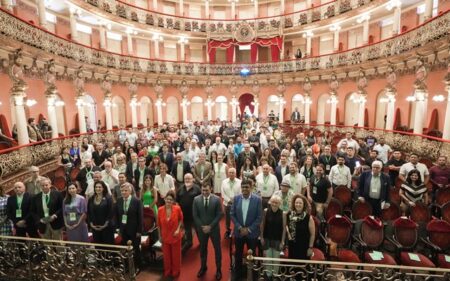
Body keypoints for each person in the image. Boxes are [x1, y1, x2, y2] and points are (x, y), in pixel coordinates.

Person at [230, 179, 262, 281]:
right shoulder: (236, 198)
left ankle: (253, 275)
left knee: (252, 255)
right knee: (238, 255)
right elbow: (232, 214)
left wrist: (248, 229)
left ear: (251, 187)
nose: (244, 189)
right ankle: (237, 275)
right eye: (243, 187)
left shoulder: (257, 200)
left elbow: (259, 217)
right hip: (239, 232)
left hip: (252, 233)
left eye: (247, 187)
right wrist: (239, 227)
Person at [193, 184, 224, 280]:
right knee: (203, 249)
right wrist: (202, 227)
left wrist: (210, 226)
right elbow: (195, 215)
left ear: (211, 189)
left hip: (213, 229)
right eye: (203, 190)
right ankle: (203, 267)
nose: (204, 192)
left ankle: (218, 269)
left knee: (217, 249)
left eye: (206, 190)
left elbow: (220, 214)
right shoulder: (196, 199)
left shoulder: (217, 199)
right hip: (202, 229)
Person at [116, 183, 143, 271]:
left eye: (125, 190)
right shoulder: (119, 200)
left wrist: (139, 231)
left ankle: (137, 267)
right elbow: (117, 216)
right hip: (123, 230)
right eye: (122, 191)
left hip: (134, 230)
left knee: (135, 249)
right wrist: (118, 228)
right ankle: (127, 266)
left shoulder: (137, 201)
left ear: (130, 191)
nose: (123, 192)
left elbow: (140, 217)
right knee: (124, 249)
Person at [158, 191, 183, 279]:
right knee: (166, 256)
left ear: (173, 201)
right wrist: (159, 236)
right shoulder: (160, 210)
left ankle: (175, 271)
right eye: (167, 199)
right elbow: (158, 225)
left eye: (170, 200)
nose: (168, 201)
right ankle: (167, 271)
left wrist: (178, 229)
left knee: (176, 256)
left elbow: (180, 220)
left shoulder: (177, 208)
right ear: (164, 199)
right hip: (165, 236)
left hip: (175, 235)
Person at [260, 195, 286, 279]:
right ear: (270, 202)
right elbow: (262, 225)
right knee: (268, 259)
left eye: (277, 202)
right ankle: (268, 275)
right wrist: (261, 237)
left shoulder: (283, 213)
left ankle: (275, 276)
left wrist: (282, 241)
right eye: (273, 202)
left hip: (277, 240)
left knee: (276, 260)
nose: (274, 204)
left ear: (279, 204)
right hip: (267, 238)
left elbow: (284, 229)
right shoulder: (265, 211)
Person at [286, 195, 315, 263]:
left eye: (300, 203)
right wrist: (288, 232)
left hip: (304, 246)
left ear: (304, 205)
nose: (298, 204)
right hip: (292, 245)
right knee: (292, 266)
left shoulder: (308, 218)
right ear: (294, 203)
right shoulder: (289, 214)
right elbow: (285, 226)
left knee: (302, 267)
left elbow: (312, 235)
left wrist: (310, 248)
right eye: (296, 203)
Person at [176, 173, 201, 248]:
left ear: (193, 179)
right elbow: (177, 201)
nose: (187, 180)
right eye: (186, 179)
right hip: (184, 215)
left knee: (198, 230)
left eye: (189, 178)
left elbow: (201, 201)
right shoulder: (180, 188)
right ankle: (189, 242)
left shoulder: (197, 188)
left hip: (195, 215)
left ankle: (202, 242)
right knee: (187, 230)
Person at [221, 168, 242, 237]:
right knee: (227, 218)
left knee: (237, 217)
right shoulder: (224, 182)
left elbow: (241, 192)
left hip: (237, 203)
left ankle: (237, 230)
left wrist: (235, 200)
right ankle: (228, 230)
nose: (231, 174)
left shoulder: (240, 182)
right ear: (228, 173)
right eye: (230, 172)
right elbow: (223, 193)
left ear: (235, 173)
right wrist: (229, 200)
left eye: (233, 172)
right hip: (227, 203)